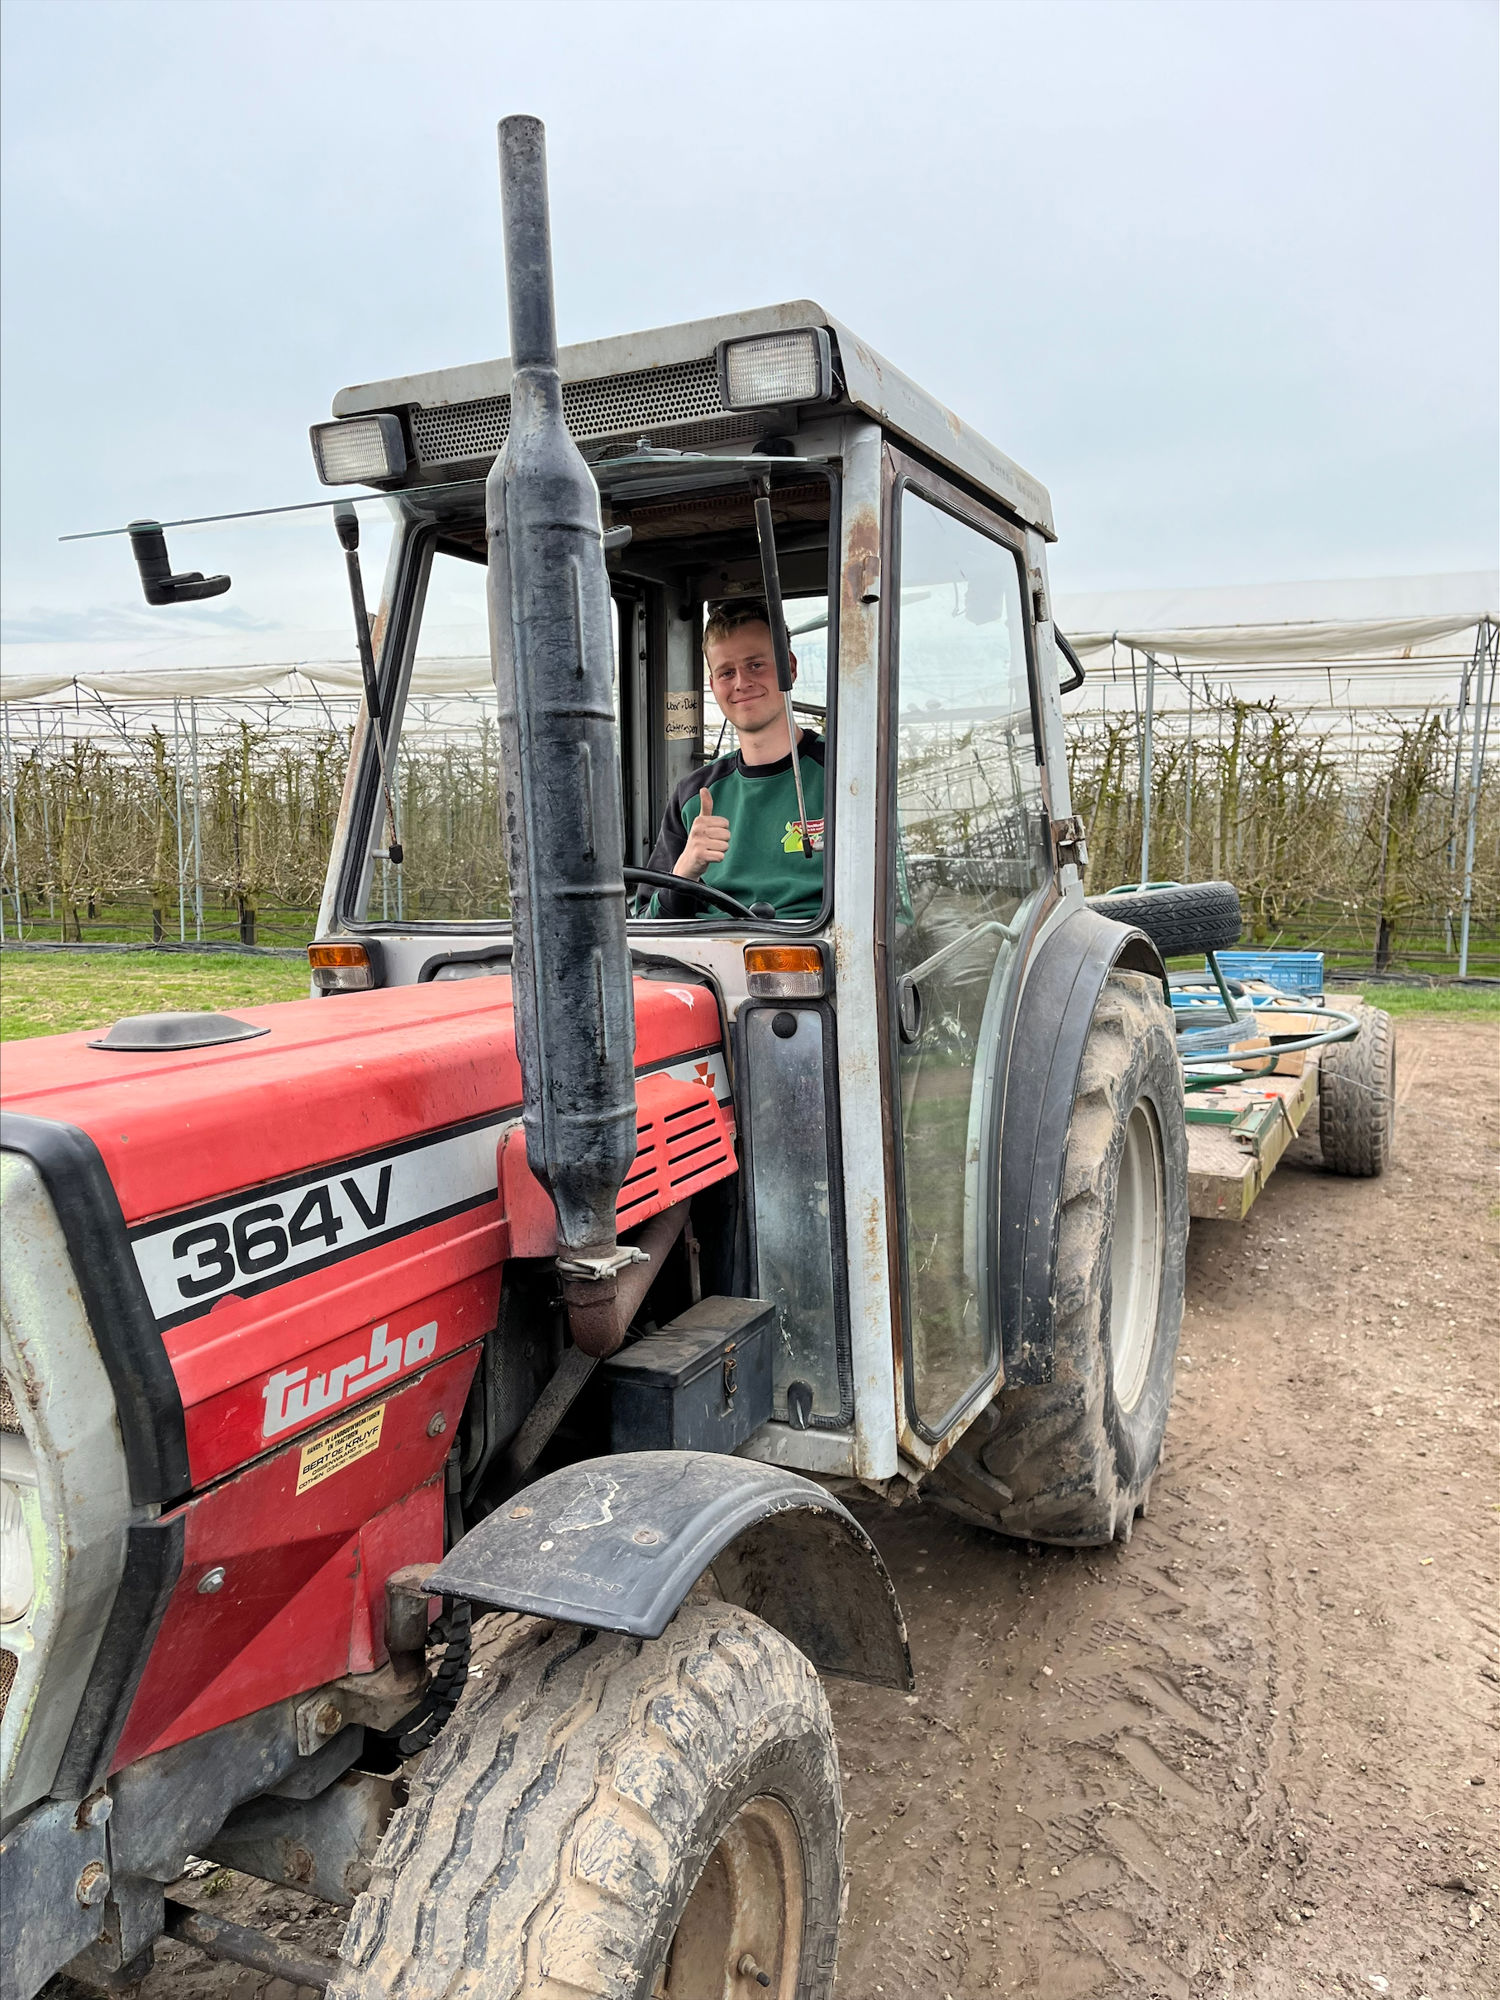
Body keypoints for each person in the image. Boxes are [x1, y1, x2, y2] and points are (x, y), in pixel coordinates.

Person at [643, 599, 825, 921]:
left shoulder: (844, 774)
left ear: (790, 667)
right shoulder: (694, 796)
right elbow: (645, 924)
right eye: (727, 672)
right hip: (708, 964)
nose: (741, 682)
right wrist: (685, 874)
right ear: (713, 685)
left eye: (756, 665)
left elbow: (890, 918)